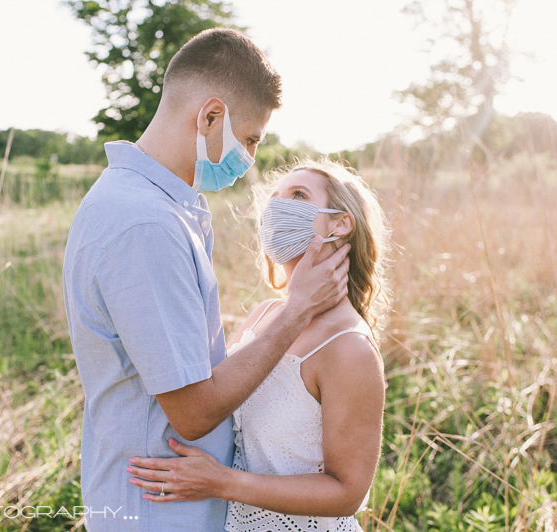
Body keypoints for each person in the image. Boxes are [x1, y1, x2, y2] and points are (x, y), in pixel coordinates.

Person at [62, 29, 351, 531]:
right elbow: (193, 413)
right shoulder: (144, 224)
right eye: (251, 138)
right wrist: (296, 310)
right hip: (159, 511)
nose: (252, 158)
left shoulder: (165, 206)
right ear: (211, 116)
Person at [125, 159, 390, 532]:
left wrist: (221, 482)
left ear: (340, 223)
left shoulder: (349, 348)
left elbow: (347, 493)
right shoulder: (266, 314)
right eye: (275, 200)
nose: (278, 209)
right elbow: (211, 397)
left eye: (298, 195)